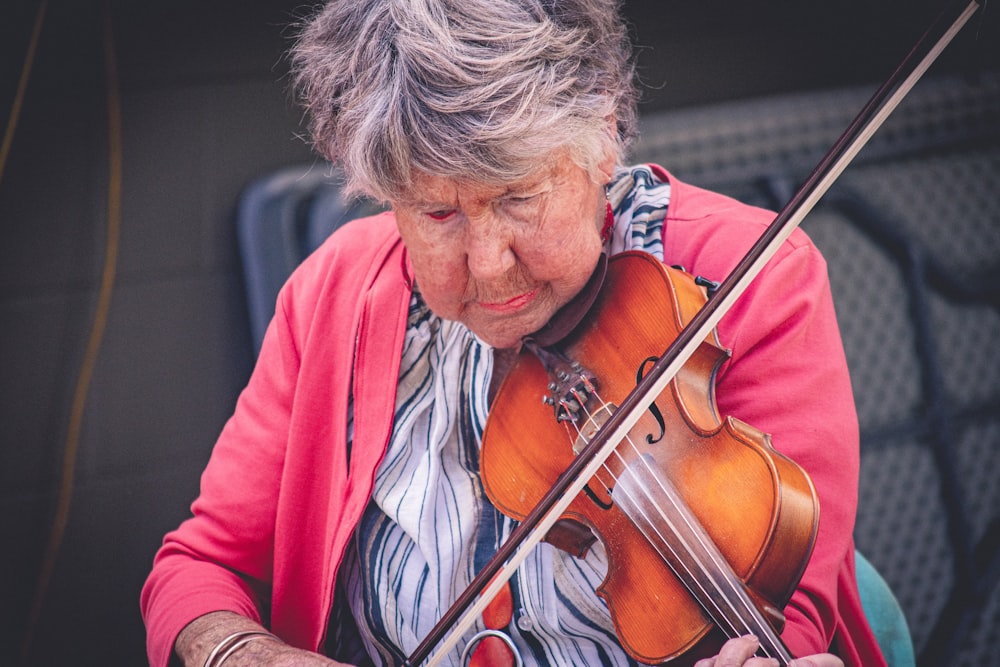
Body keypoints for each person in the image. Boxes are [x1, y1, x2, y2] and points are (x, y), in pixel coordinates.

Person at [141, 0, 888, 665]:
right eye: (438, 215)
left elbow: (793, 613)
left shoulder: (745, 282)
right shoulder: (333, 291)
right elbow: (200, 566)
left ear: (603, 137)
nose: (491, 267)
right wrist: (247, 653)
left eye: (521, 196)